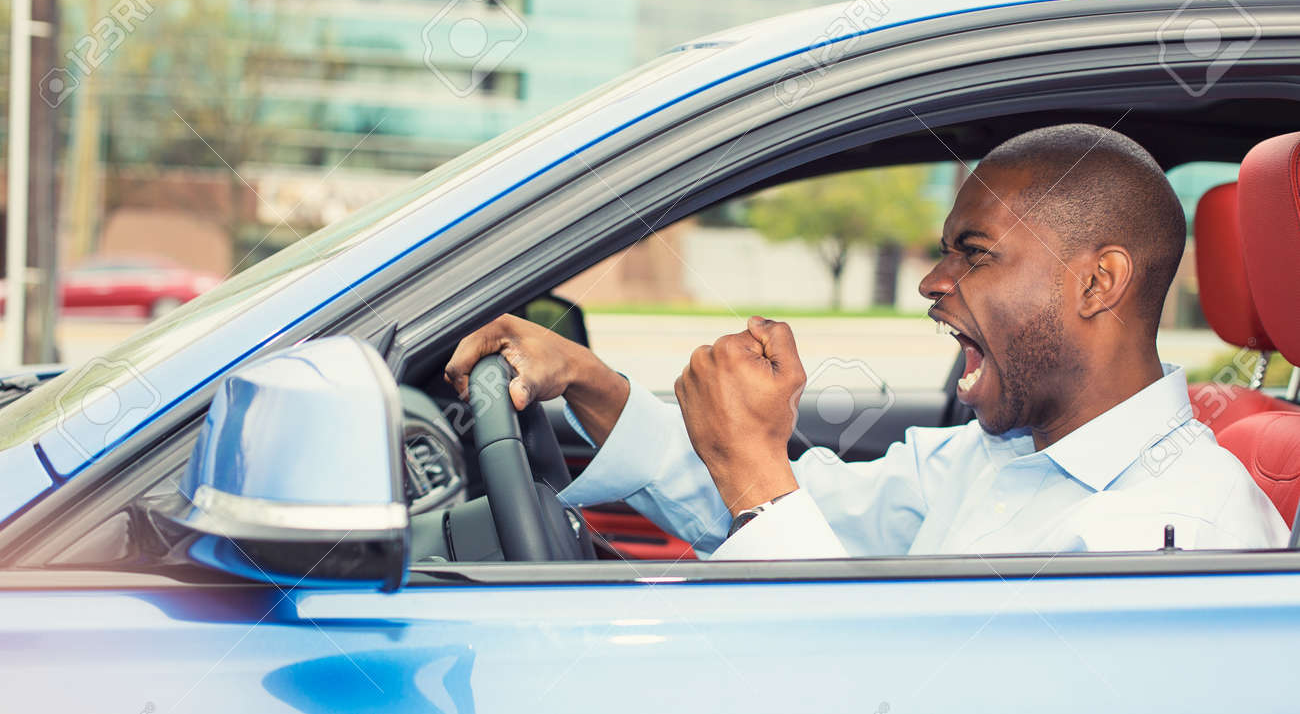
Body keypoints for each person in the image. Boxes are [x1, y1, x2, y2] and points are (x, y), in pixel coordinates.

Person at [445, 124, 1288, 559]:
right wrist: (593, 383)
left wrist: (760, 484)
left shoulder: (1173, 528)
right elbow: (811, 511)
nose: (931, 280)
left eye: (974, 252)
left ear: (1096, 284)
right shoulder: (995, 459)